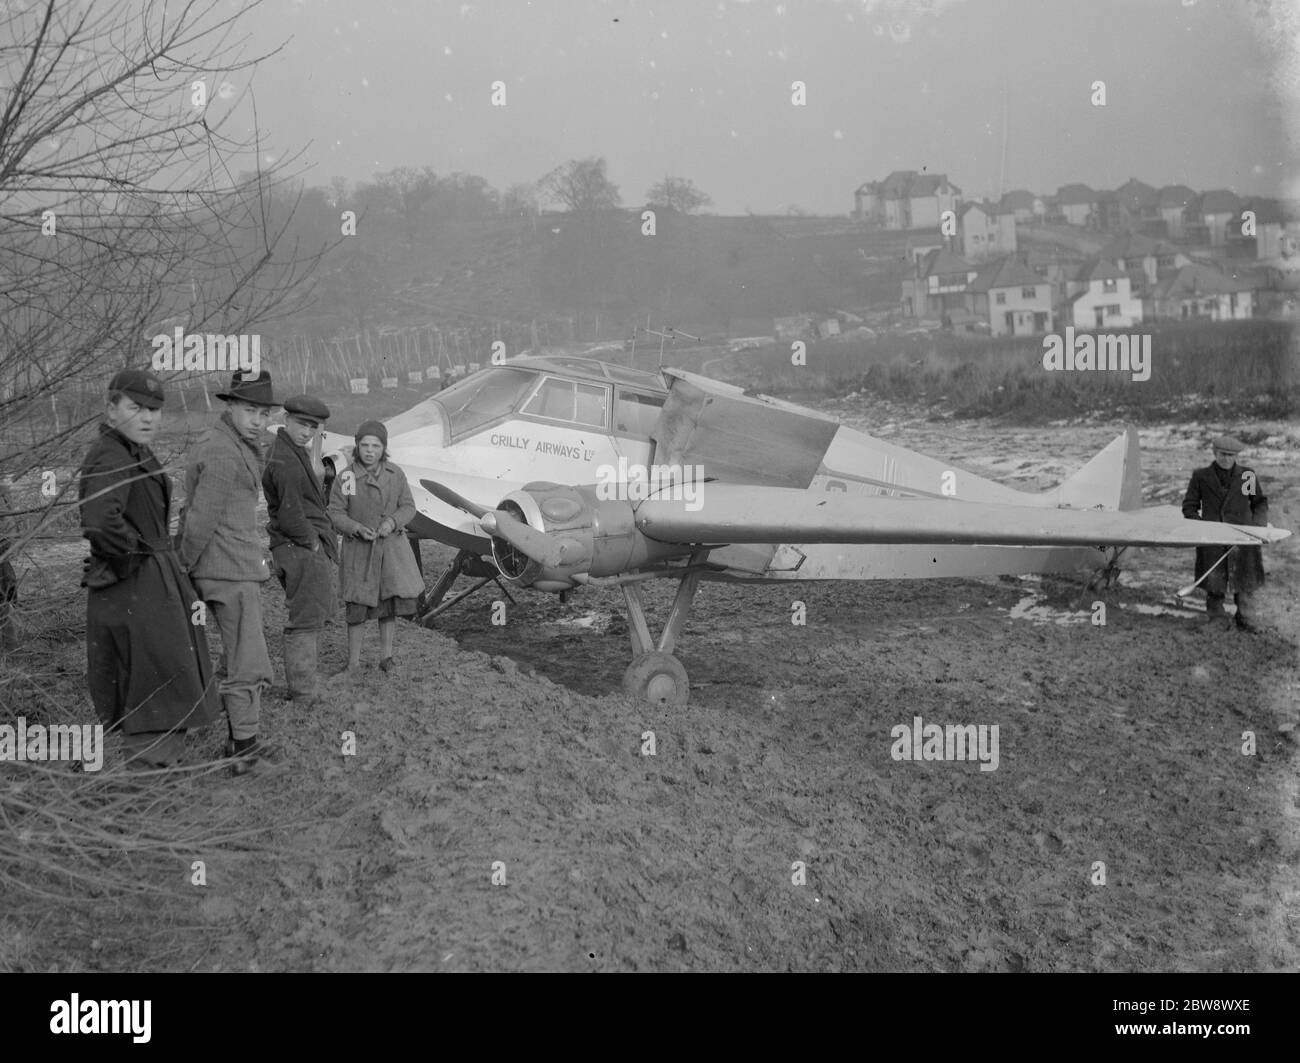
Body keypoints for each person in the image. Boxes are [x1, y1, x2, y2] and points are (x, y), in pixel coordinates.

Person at [78, 369, 220, 769]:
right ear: (111, 408)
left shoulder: (132, 449)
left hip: (152, 582)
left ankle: (160, 789)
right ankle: (146, 798)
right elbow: (101, 520)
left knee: (166, 683)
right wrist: (129, 560)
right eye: (136, 407)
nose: (148, 417)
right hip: (137, 590)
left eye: (155, 410)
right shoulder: (111, 454)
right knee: (153, 688)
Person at [178, 369, 283, 774]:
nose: (258, 421)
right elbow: (200, 519)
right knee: (248, 659)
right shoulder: (223, 452)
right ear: (232, 407)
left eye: (264, 413)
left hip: (229, 565)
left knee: (237, 657)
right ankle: (243, 751)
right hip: (228, 570)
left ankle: (241, 738)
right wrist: (184, 566)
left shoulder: (229, 442)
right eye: (250, 411)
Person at [327, 420, 424, 672]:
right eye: (364, 445)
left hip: (391, 550)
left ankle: (386, 657)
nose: (370, 451)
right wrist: (356, 528)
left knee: (388, 605)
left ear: (384, 448)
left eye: (376, 446)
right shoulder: (347, 477)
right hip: (360, 551)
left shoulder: (395, 474)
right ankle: (353, 663)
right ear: (357, 446)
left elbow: (408, 507)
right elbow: (336, 512)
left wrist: (392, 522)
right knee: (357, 607)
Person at [263, 394, 336, 703]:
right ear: (286, 419)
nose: (307, 432)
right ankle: (303, 691)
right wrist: (314, 544)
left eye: (313, 427)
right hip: (300, 547)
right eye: (302, 425)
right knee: (304, 621)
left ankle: (304, 685)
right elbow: (292, 515)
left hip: (294, 546)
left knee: (306, 616)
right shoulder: (286, 460)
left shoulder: (290, 451)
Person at [1181, 434, 1269, 633]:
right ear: (1214, 453)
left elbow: (1259, 503)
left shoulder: (1247, 476)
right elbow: (1189, 506)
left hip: (1244, 537)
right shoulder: (1201, 476)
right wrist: (1202, 529)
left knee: (1245, 580)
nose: (1227, 459)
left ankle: (1246, 618)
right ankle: (1217, 619)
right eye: (1223, 454)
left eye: (1231, 455)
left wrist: (1256, 527)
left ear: (1236, 456)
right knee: (1214, 582)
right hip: (1213, 539)